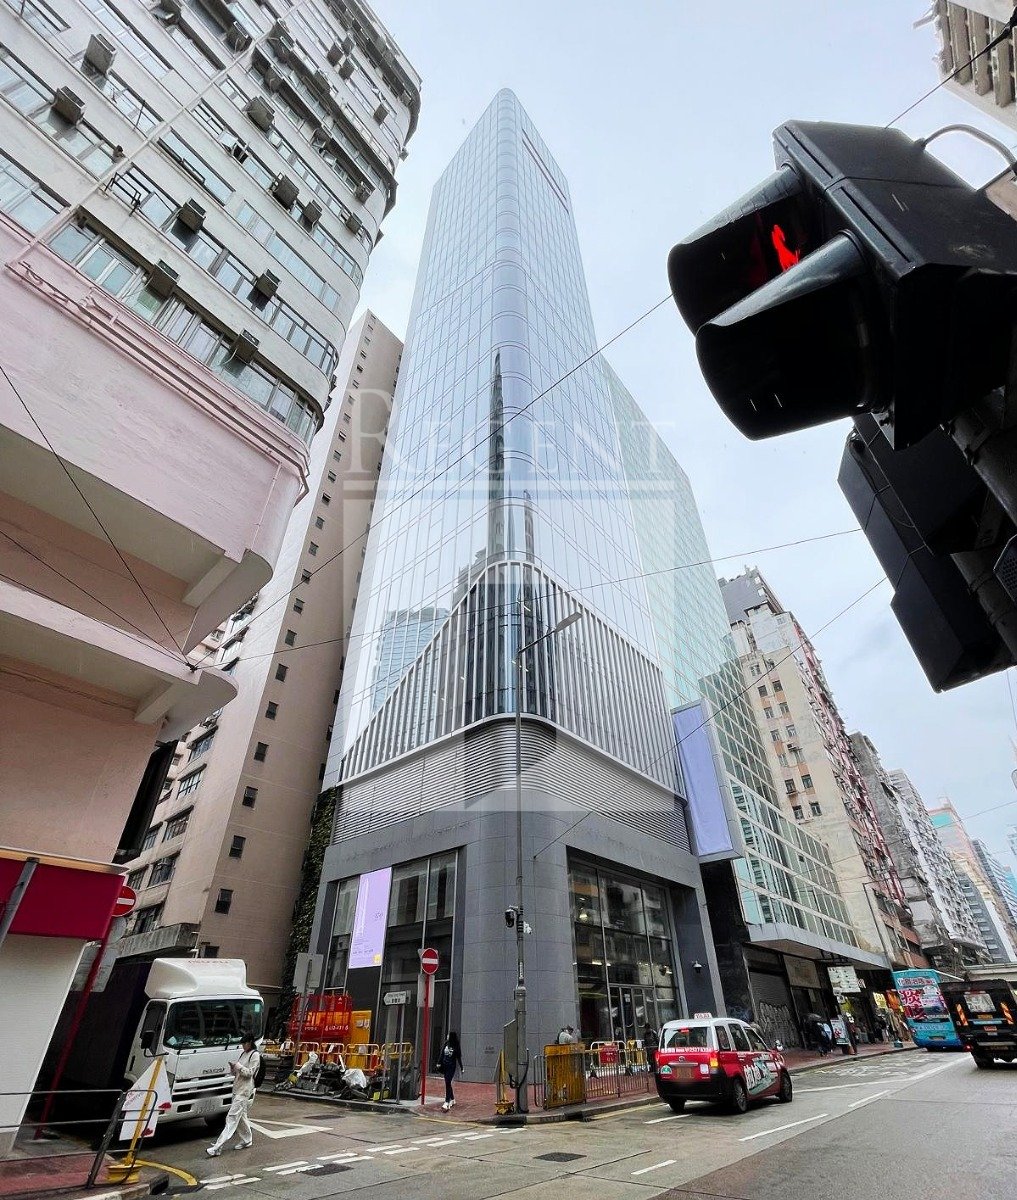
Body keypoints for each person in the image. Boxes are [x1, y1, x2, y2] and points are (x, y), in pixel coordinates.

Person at [207, 1034, 260, 1156]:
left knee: (231, 1118)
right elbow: (238, 1073)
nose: (243, 1046)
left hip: (244, 1091)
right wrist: (233, 1068)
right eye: (242, 1044)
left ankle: (217, 1147)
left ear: (250, 1042)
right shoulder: (243, 1054)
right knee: (241, 1118)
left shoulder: (255, 1055)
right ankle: (247, 1140)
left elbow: (250, 1073)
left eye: (245, 1043)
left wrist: (238, 1066)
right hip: (237, 1089)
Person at [437, 1031, 463, 1112]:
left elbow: (458, 1057)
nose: (447, 1036)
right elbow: (442, 1054)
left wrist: (462, 1068)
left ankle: (447, 1101)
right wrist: (439, 1063)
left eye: (448, 1035)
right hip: (445, 1065)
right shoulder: (446, 1043)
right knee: (447, 1083)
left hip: (451, 1067)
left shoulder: (456, 1045)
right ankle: (453, 1099)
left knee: (448, 1082)